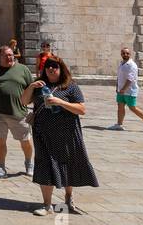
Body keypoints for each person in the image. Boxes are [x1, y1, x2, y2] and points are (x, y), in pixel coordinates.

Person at [22, 56, 98, 216]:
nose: (51, 69)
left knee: (67, 163)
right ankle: (47, 205)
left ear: (61, 69)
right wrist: (31, 86)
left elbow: (81, 109)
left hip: (66, 133)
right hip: (42, 133)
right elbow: (24, 101)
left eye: (54, 66)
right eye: (48, 66)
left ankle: (68, 197)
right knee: (44, 164)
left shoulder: (70, 86)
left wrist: (60, 102)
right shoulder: (39, 85)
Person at [0, 44, 34, 179]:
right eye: (6, 55)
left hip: (19, 113)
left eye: (11, 55)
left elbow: (31, 88)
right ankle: (1, 168)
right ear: (0, 57)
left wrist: (30, 102)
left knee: (25, 141)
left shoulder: (23, 69)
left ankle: (29, 164)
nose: (9, 57)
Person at [109, 47, 143, 131]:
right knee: (120, 107)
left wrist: (123, 89)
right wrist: (117, 87)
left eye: (127, 53)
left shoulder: (132, 65)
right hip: (120, 90)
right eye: (123, 53)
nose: (125, 54)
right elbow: (119, 77)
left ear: (130, 54)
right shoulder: (121, 64)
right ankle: (119, 124)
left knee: (132, 108)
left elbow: (130, 79)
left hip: (129, 90)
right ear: (121, 54)